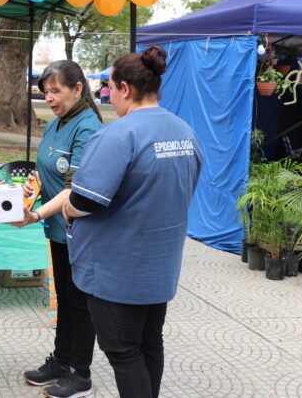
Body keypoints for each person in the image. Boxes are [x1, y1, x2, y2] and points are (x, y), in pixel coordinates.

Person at [63, 47, 203, 398]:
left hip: (118, 269)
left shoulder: (118, 135)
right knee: (149, 343)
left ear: (125, 88)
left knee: (124, 352)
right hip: (159, 265)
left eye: (109, 88)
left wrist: (67, 210)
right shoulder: (185, 131)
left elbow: (85, 199)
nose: (108, 96)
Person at [10, 60, 104, 398]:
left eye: (55, 91)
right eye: (46, 92)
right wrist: (29, 190)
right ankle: (62, 361)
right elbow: (44, 171)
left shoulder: (88, 127)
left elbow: (73, 189)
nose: (49, 98)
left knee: (79, 303)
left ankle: (81, 374)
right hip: (57, 228)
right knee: (64, 298)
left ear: (77, 89)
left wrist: (35, 215)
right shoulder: (54, 124)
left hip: (80, 231)